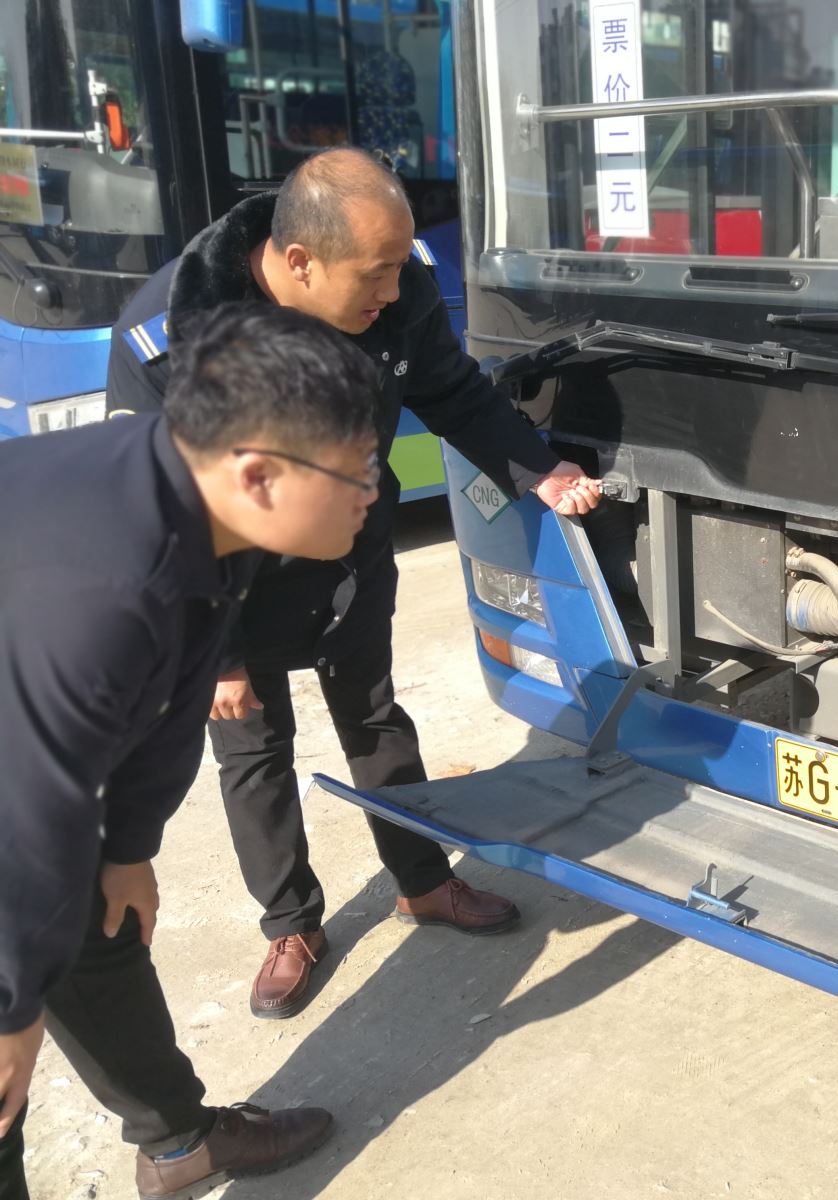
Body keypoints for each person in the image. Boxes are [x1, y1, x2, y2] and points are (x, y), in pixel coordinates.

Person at [106, 148, 603, 1022]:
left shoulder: (395, 285)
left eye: (399, 266)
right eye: (375, 273)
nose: (395, 289)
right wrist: (213, 654)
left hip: (349, 543)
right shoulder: (170, 334)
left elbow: (451, 390)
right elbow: (152, 506)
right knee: (252, 745)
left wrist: (537, 468)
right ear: (300, 262)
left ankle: (423, 878)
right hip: (229, 582)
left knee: (374, 714)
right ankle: (290, 924)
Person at [0, 304, 383, 1200]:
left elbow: (179, 694)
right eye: (358, 469)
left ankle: (179, 1143)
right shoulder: (102, 594)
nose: (372, 491)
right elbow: (28, 810)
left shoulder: (202, 507)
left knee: (96, 919)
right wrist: (11, 1010)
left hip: (26, 751)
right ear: (257, 474)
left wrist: (128, 845)